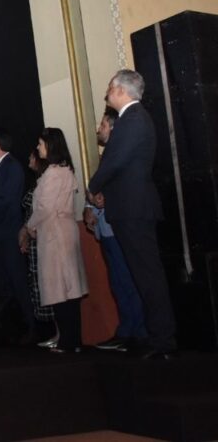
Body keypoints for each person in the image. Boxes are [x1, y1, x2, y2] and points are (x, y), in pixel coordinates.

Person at [87, 69, 177, 359]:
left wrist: (94, 186)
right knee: (143, 275)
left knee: (148, 275)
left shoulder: (133, 119)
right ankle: (158, 337)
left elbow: (115, 161)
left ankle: (163, 340)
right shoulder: (132, 119)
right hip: (129, 207)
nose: (106, 93)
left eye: (110, 87)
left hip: (134, 208)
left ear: (123, 90)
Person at [84, 107, 147, 352]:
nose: (98, 128)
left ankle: (139, 332)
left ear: (112, 127)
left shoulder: (121, 154)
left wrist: (103, 198)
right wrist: (89, 206)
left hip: (119, 224)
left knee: (128, 279)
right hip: (105, 227)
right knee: (118, 282)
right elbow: (95, 189)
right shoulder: (105, 156)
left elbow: (122, 186)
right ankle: (126, 330)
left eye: (102, 124)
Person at [20, 128, 86, 353]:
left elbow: (45, 207)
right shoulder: (63, 171)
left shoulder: (54, 173)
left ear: (51, 145)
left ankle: (69, 341)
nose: (38, 148)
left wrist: (30, 226)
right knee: (67, 288)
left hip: (55, 233)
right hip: (60, 230)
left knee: (61, 289)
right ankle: (71, 340)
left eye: (40, 144)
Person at [0, 128, 36, 341]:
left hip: (8, 234)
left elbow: (6, 200)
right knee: (3, 283)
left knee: (17, 281)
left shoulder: (11, 167)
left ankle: (30, 327)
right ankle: (12, 328)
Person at [21, 148, 56, 346]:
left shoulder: (47, 181)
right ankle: (42, 328)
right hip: (32, 237)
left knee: (46, 282)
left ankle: (51, 329)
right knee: (35, 283)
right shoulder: (36, 182)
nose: (29, 159)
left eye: (31, 156)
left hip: (42, 238)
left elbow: (42, 211)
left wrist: (27, 230)